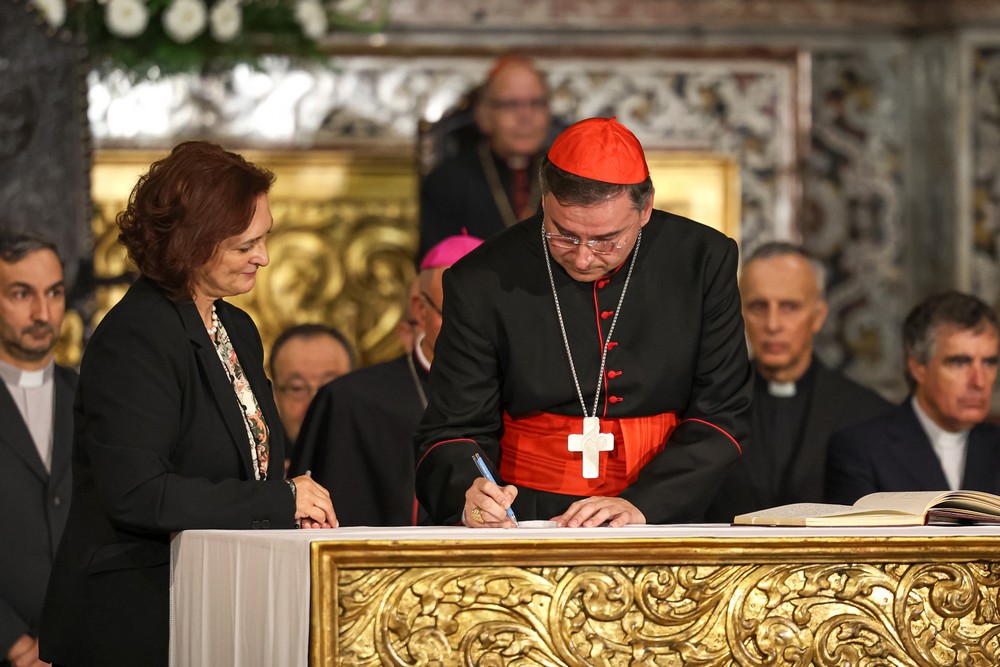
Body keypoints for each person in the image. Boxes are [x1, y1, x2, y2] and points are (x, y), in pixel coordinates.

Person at [39, 141, 337, 666]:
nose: (263, 257)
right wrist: (280, 501)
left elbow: (250, 468)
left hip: (216, 598)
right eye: (246, 245)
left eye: (264, 239)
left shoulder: (237, 328)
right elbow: (138, 493)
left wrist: (286, 508)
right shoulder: (136, 336)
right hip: (136, 621)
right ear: (191, 244)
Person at [414, 117, 753, 528]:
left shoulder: (702, 260)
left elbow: (723, 412)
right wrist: (471, 492)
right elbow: (452, 430)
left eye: (607, 239)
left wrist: (645, 503)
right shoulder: (481, 279)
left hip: (669, 511)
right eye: (563, 234)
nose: (583, 257)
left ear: (644, 209)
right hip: (528, 518)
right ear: (545, 199)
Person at [291, 234, 483, 526]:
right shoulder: (352, 401)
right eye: (455, 315)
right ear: (420, 309)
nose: (475, 331)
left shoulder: (525, 394)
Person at [705, 242, 891, 521]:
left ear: (818, 316)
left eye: (789, 307)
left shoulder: (868, 414)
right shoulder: (706, 407)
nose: (773, 324)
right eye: (758, 306)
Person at [826, 291, 1000, 504]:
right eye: (960, 362)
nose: (979, 381)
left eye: (989, 362)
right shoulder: (861, 450)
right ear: (918, 367)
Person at [0, 232, 75, 667]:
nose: (42, 313)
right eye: (21, 294)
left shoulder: (91, 401)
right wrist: (13, 642)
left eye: (54, 293)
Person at [419, 55, 552, 259]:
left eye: (536, 103)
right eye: (511, 104)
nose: (526, 116)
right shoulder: (448, 183)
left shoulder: (567, 177)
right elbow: (437, 269)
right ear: (484, 115)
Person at [269, 323, 356, 462]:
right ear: (274, 397)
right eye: (297, 388)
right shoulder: (261, 475)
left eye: (330, 386)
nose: (315, 403)